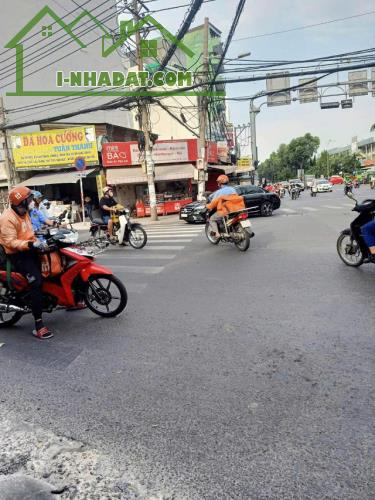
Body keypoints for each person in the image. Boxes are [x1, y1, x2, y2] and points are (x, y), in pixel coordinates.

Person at [0, 186, 53, 339]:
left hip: (30, 249)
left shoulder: (25, 212)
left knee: (54, 267)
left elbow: (28, 232)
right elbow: (10, 242)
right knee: (36, 282)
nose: (32, 201)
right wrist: (30, 244)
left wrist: (38, 237)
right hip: (17, 255)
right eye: (29, 199)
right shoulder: (7, 218)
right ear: (21, 202)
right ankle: (39, 325)